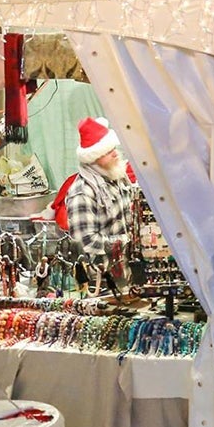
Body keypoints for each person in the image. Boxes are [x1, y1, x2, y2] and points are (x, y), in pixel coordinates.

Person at [57, 117, 138, 294]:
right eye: (107, 151)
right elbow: (85, 243)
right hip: (102, 286)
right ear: (93, 157)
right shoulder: (83, 192)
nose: (115, 154)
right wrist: (128, 243)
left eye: (114, 148)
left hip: (127, 278)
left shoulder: (117, 177)